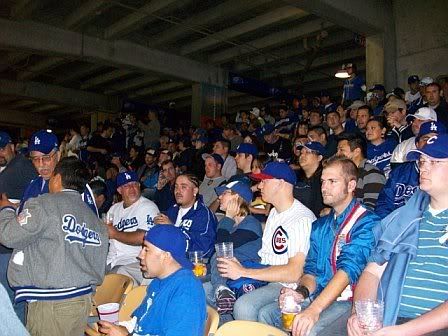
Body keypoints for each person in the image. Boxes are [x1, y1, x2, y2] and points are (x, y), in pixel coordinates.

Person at [259, 156, 380, 336]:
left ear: (351, 185)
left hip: (350, 302)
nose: (324, 187)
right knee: (266, 314)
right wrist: (300, 292)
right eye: (323, 181)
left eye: (332, 181)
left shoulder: (367, 222)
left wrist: (313, 310)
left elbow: (348, 271)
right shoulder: (320, 226)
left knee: (309, 329)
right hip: (319, 295)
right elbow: (311, 271)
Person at [347, 134, 448, 336]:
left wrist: (403, 331)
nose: (424, 167)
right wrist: (361, 314)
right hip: (389, 319)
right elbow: (371, 273)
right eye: (422, 161)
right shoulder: (401, 218)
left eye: (434, 161)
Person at [0, 157, 108, 336]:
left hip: (52, 303)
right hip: (82, 301)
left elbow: (9, 236)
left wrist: (6, 210)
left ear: (57, 178)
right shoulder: (95, 221)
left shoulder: (44, 203)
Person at [217, 162, 315, 321]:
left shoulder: (301, 218)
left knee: (244, 306)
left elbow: (294, 272)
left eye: (264, 181)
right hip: (265, 276)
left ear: (281, 183)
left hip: (285, 285)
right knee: (208, 290)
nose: (260, 186)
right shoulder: (275, 213)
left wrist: (243, 271)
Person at [98, 225, 207, 336]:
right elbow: (140, 323)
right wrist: (119, 328)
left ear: (165, 256)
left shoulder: (186, 289)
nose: (140, 255)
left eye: (146, 249)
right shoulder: (159, 281)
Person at [204, 181, 263, 314]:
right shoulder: (227, 223)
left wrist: (228, 217)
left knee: (220, 254)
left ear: (236, 197)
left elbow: (222, 246)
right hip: (225, 274)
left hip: (245, 275)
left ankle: (222, 290)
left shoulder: (251, 223)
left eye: (224, 193)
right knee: (194, 283)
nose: (219, 197)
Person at [375, 120, 446, 218]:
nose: (429, 143)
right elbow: (383, 204)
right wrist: (391, 228)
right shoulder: (400, 171)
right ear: (417, 144)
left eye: (435, 139)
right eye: (426, 138)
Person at [106, 170, 159, 285]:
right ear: (119, 190)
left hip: (135, 261)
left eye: (134, 184)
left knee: (112, 282)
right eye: (126, 186)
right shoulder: (114, 209)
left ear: (139, 186)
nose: (132, 188)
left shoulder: (148, 207)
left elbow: (144, 237)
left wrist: (115, 234)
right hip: (111, 259)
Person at [155, 174, 217, 258]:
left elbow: (204, 250)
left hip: (191, 264)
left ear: (195, 191)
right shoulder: (172, 211)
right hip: (167, 259)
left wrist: (173, 228)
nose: (178, 191)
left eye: (183, 187)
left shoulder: (203, 215)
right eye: (176, 187)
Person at [336, 133, 386, 210]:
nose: (337, 154)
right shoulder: (344, 174)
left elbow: (370, 210)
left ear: (357, 151)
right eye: (337, 150)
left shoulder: (372, 173)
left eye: (341, 150)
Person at [293, 141, 325, 217]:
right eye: (301, 153)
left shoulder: (324, 180)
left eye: (307, 152)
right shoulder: (296, 178)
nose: (302, 155)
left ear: (319, 157)